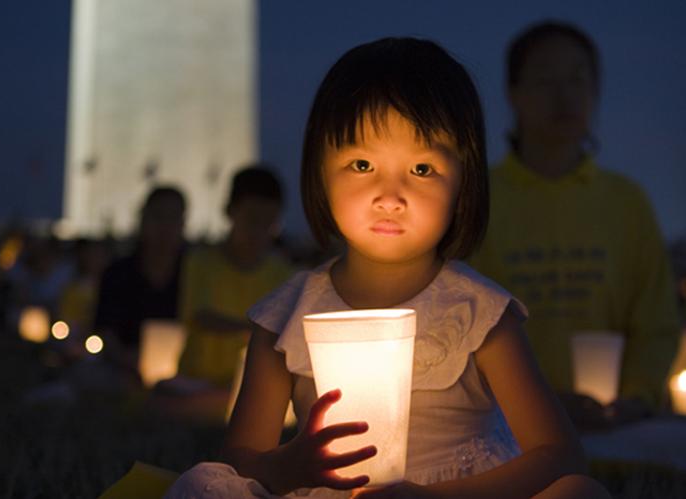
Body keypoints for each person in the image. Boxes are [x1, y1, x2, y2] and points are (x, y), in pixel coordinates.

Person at [165, 37, 608, 498]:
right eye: (361, 164)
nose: (390, 197)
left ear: (464, 182)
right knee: (201, 486)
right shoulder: (285, 316)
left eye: (421, 170)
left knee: (579, 492)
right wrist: (290, 463)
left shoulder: (478, 314)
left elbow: (560, 455)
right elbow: (239, 460)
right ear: (320, 172)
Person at [469, 21, 680, 428]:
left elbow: (656, 323)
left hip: (616, 430)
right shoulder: (480, 199)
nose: (564, 94)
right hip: (502, 432)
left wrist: (636, 399)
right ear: (513, 94)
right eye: (545, 79)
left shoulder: (626, 202)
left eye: (578, 78)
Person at [177, 165, 293, 389]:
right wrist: (254, 331)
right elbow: (200, 316)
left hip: (252, 385)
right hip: (196, 381)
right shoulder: (201, 262)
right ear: (230, 211)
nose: (259, 230)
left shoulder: (281, 272)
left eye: (268, 221)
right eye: (252, 219)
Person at [93, 186, 188, 380]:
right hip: (121, 372)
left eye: (173, 218)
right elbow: (105, 330)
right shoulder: (117, 273)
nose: (165, 227)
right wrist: (128, 359)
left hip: (183, 374)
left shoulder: (193, 274)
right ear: (143, 219)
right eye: (158, 216)